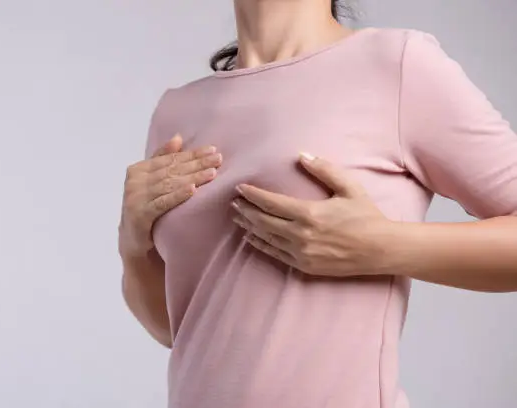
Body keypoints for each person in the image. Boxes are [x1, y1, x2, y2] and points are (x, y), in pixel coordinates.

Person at [119, 1, 517, 407]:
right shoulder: (176, 111)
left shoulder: (395, 66)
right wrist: (133, 246)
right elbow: (179, 330)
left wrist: (384, 248)